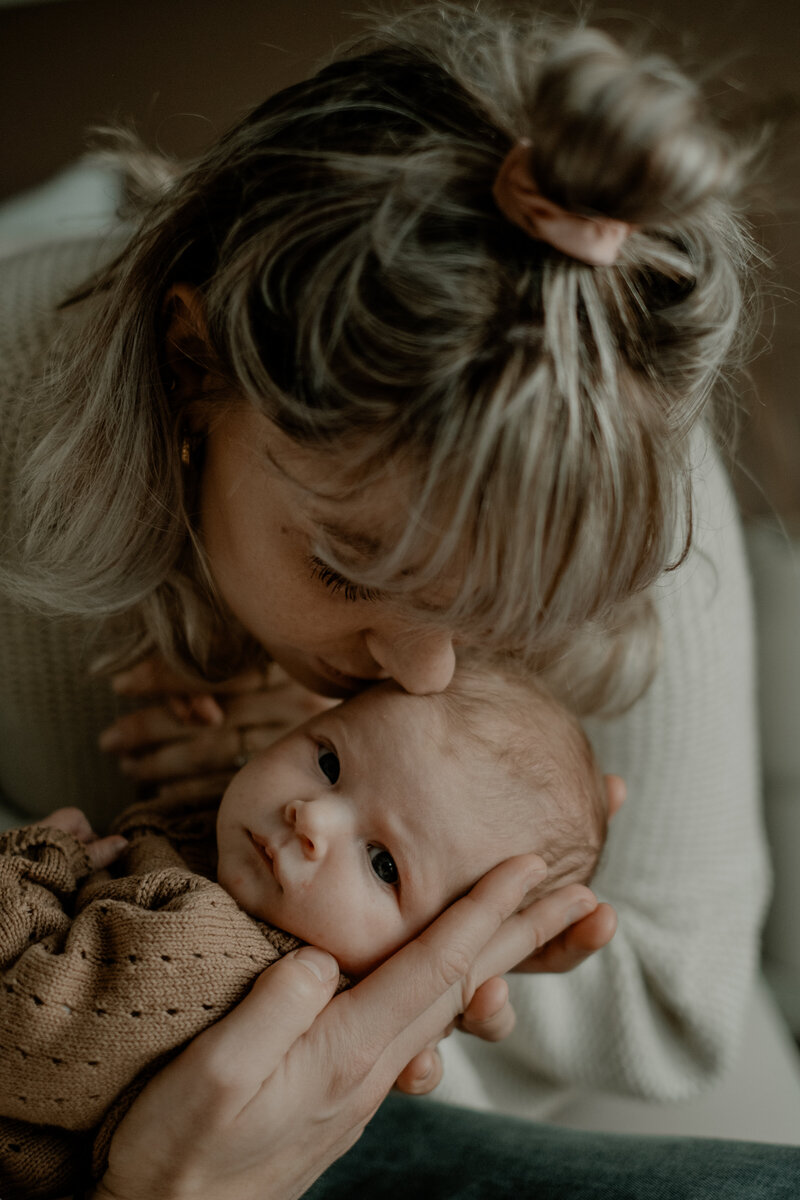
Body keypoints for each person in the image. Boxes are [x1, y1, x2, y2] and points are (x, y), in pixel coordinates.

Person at [0, 3, 796, 1197]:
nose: (426, 674)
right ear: (187, 367)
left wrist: (440, 900)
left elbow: (676, 1009)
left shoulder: (603, 450)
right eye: (348, 568)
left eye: (504, 610)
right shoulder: (19, 389)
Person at [0, 666, 607, 1200]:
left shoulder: (213, 961)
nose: (312, 815)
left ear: (425, 957)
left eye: (383, 864)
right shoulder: (249, 865)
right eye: (329, 762)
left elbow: (22, 1032)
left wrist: (39, 860)